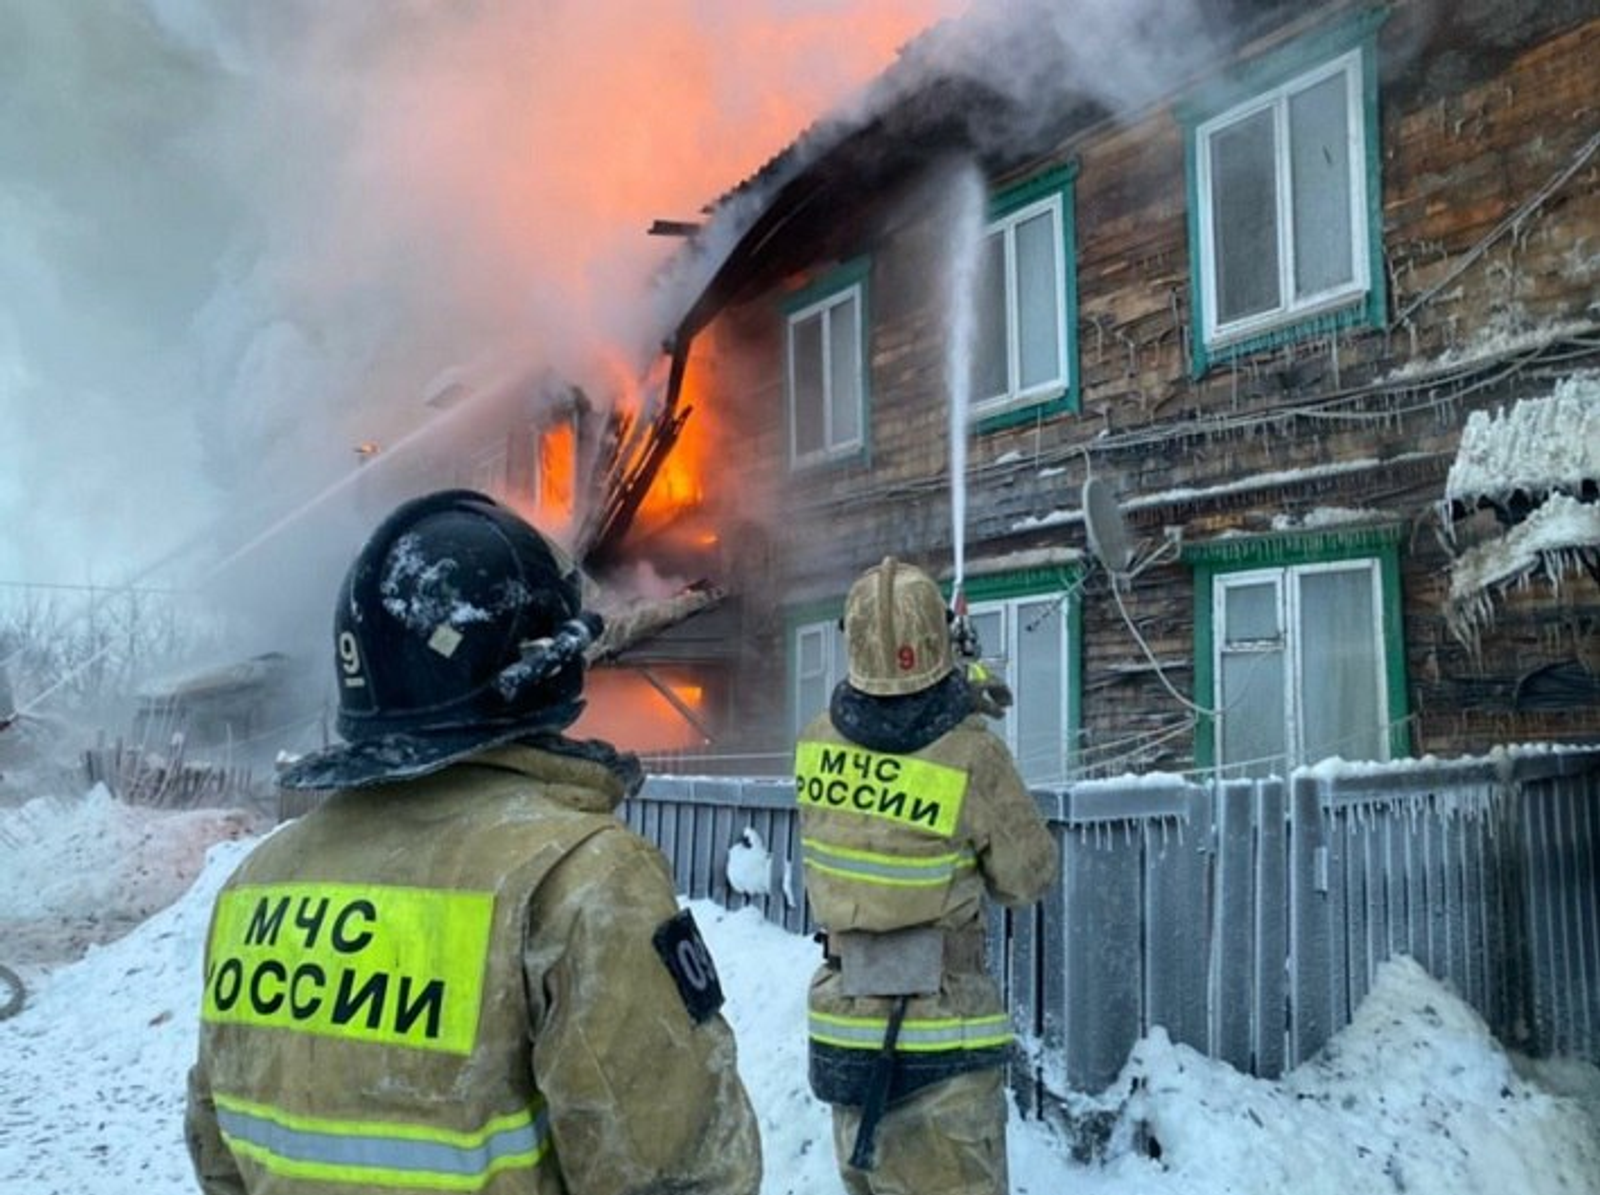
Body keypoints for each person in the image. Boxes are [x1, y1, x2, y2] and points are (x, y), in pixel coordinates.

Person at [184, 489, 762, 1195]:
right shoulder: (582, 881)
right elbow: (682, 1174)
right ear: (540, 669)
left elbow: (219, 1158)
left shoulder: (259, 883)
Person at [794, 557, 1059, 1195]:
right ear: (938, 642)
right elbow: (1029, 877)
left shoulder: (815, 742)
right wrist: (961, 705)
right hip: (943, 1040)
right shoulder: (971, 754)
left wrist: (947, 695)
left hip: (845, 1035)